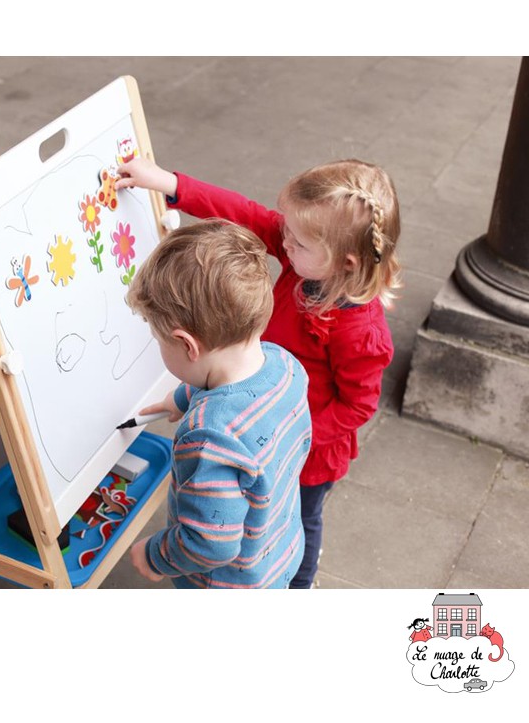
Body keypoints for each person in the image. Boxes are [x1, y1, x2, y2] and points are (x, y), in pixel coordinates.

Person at [117, 157, 401, 589]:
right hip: (260, 405)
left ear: (344, 262)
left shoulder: (359, 331)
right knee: (261, 519)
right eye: (284, 229)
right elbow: (245, 212)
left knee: (298, 518)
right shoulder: (304, 256)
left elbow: (359, 405)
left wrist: (286, 429)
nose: (282, 240)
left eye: (296, 240)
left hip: (303, 449)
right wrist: (172, 183)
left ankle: (297, 585)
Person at [126, 218, 312, 589]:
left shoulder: (208, 435)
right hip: (280, 548)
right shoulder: (284, 365)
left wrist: (155, 555)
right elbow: (233, 389)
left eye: (158, 340)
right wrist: (181, 397)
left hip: (229, 585)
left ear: (187, 345)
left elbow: (211, 542)